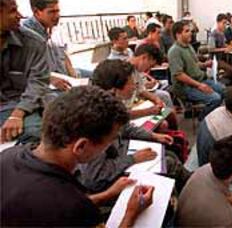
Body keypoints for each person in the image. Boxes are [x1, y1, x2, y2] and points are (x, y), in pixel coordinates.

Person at [1, 86, 154, 227]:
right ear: (81, 146)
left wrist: (106, 195)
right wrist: (131, 213)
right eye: (110, 141)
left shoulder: (8, 156)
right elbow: (67, 208)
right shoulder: (73, 207)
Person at [77, 59, 190, 193]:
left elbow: (125, 127)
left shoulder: (110, 106)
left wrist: (153, 135)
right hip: (110, 180)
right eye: (131, 83)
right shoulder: (95, 121)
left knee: (169, 152)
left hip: (120, 155)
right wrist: (133, 159)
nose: (135, 87)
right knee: (169, 165)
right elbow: (96, 177)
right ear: (115, 90)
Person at [0, 0, 49, 144]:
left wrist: (17, 114)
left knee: (36, 135)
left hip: (21, 104)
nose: (19, 16)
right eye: (12, 11)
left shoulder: (33, 42)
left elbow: (38, 82)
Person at [23, 0, 91, 89]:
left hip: (68, 74)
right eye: (52, 12)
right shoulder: (26, 34)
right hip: (50, 83)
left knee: (103, 76)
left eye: (58, 11)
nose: (57, 16)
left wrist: (71, 70)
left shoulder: (54, 27)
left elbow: (63, 52)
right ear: (36, 12)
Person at [168, 21, 224, 119]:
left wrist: (205, 64)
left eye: (190, 31)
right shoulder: (174, 51)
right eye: (187, 31)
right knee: (215, 98)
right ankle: (203, 119)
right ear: (178, 34)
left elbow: (194, 64)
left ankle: (207, 114)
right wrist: (199, 85)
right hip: (185, 87)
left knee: (223, 90)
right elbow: (179, 75)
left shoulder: (188, 46)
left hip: (198, 80)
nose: (190, 33)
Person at [128, 45, 178, 129]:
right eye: (150, 66)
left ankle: (175, 138)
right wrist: (149, 111)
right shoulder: (124, 75)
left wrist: (156, 99)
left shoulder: (135, 72)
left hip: (134, 116)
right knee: (162, 124)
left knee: (169, 113)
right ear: (144, 57)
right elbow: (123, 114)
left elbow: (141, 90)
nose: (148, 70)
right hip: (130, 124)